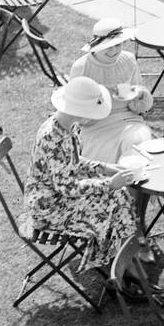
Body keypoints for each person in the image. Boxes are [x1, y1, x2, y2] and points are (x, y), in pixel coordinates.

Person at [22, 77, 141, 272]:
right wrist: (109, 184)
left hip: (60, 197)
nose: (93, 117)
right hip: (49, 208)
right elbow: (67, 187)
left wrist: (106, 168)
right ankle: (123, 269)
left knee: (119, 197)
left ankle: (123, 267)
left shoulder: (67, 125)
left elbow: (75, 161)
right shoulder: (51, 137)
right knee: (115, 198)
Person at [69, 19, 154, 164]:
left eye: (118, 45)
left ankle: (134, 182)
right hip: (95, 126)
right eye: (108, 46)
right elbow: (73, 112)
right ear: (96, 46)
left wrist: (138, 94)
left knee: (137, 140)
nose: (114, 51)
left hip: (128, 119)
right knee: (106, 151)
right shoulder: (81, 67)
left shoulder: (129, 59)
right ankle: (114, 183)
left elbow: (143, 104)